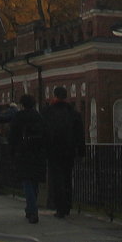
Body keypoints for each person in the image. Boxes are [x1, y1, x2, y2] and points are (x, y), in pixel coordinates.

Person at [44, 86, 85, 218]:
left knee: (56, 179)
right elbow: (80, 134)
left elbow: (44, 132)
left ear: (54, 96)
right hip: (69, 150)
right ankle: (67, 205)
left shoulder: (48, 112)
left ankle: (59, 207)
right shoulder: (73, 113)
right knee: (67, 178)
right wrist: (81, 152)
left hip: (53, 151)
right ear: (66, 96)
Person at [10, 93, 47, 223]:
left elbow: (13, 136)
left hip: (23, 152)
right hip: (37, 153)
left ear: (22, 104)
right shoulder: (39, 116)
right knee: (34, 181)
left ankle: (32, 209)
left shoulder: (19, 117)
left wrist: (13, 151)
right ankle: (30, 207)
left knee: (26, 181)